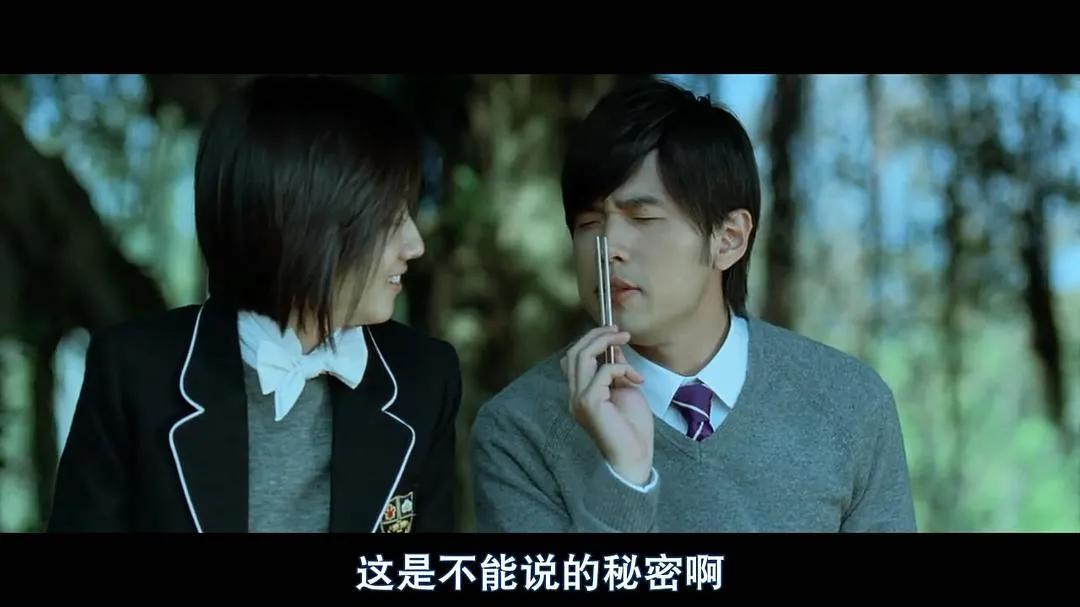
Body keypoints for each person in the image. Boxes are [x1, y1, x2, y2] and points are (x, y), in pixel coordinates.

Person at [470, 78, 916, 532]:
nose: (609, 248)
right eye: (589, 223)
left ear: (729, 239)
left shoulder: (849, 404)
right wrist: (624, 480)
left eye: (643, 217)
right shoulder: (519, 430)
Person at [50, 75, 461, 533]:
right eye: (388, 219)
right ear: (302, 220)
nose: (415, 245)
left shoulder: (424, 378)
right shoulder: (135, 373)